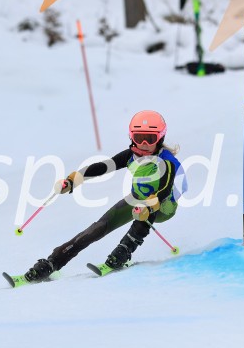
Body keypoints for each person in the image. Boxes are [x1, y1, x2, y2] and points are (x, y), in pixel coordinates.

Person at [20, 110, 185, 284]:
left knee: (141, 211)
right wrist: (74, 180)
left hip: (164, 206)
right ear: (131, 137)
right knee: (98, 228)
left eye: (150, 139)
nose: (144, 144)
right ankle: (53, 262)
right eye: (139, 137)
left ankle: (122, 253)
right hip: (138, 199)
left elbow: (165, 189)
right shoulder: (131, 155)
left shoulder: (166, 161)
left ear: (160, 138)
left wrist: (151, 206)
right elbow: (104, 167)